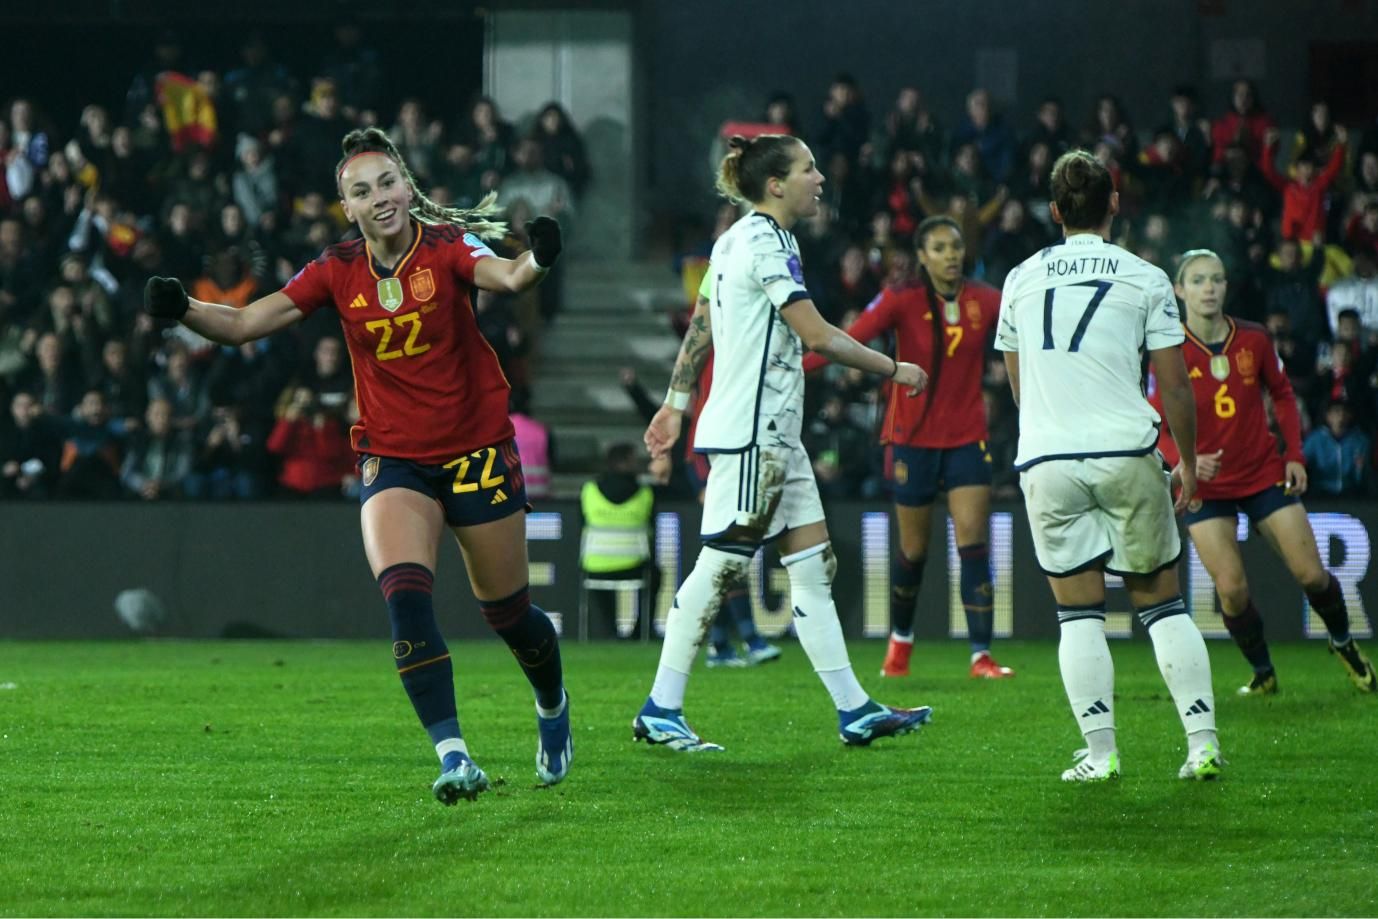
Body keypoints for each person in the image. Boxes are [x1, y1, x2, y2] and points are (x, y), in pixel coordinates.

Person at [142, 126, 571, 803]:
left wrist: (539, 259)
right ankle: (454, 754)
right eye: (362, 191)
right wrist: (184, 309)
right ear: (348, 208)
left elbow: (509, 276)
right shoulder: (335, 269)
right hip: (393, 455)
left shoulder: (448, 246)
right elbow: (247, 322)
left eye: (388, 183)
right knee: (404, 594)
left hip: (477, 450)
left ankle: (551, 704)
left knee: (508, 613)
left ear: (408, 186)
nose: (381, 199)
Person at [635, 133, 933, 753]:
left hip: (777, 436)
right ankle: (661, 705)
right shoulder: (766, 242)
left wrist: (675, 405)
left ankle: (854, 709)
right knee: (720, 566)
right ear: (776, 185)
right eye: (808, 168)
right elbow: (816, 334)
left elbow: (702, 324)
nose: (819, 178)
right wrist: (892, 368)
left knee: (814, 569)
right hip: (752, 436)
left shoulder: (738, 239)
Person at [995, 149, 1221, 782]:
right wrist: (1187, 463)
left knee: (1078, 614)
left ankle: (1101, 754)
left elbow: (1017, 384)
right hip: (1127, 451)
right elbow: (1175, 386)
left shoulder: (1019, 278)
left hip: (1048, 458)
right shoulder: (1145, 277)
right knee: (1163, 607)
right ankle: (1201, 744)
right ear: (1113, 204)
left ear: (1054, 211)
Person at [1152, 250, 1375, 695]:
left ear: (1226, 286)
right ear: (1179, 290)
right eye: (1198, 280)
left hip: (1262, 474)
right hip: (1206, 486)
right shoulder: (1167, 350)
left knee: (1312, 574)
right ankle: (1263, 672)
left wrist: (1293, 454)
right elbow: (1154, 420)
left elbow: (1285, 395)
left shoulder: (1253, 339)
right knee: (1231, 590)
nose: (1209, 288)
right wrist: (1185, 463)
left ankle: (1343, 642)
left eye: (1216, 278)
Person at [803, 216, 1014, 680]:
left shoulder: (988, 299)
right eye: (939, 248)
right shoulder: (901, 299)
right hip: (911, 441)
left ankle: (982, 655)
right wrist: (798, 367)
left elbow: (1034, 326)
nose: (950, 255)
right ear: (921, 255)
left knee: (974, 543)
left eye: (955, 246)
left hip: (966, 438)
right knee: (913, 551)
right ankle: (900, 645)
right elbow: (849, 337)